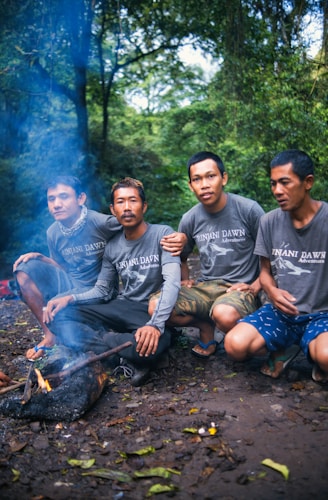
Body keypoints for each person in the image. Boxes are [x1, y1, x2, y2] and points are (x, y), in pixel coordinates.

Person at [13, 176, 184, 361]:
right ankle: (109, 342)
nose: (126, 208)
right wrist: (64, 291)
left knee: (153, 344)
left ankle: (109, 346)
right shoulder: (106, 246)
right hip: (115, 302)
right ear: (113, 209)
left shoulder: (160, 233)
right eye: (51, 199)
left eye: (133, 201)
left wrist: (183, 237)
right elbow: (79, 277)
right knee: (56, 314)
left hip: (140, 306)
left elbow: (172, 281)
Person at [224, 149, 328, 384]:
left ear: (307, 182)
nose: (277, 191)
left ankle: (316, 355)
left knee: (326, 356)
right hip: (281, 314)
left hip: (322, 314)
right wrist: (271, 291)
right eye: (273, 184)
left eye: (285, 183)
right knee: (234, 346)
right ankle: (285, 349)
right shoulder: (269, 221)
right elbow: (265, 272)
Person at [149, 151, 264, 358]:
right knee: (157, 307)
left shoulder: (248, 210)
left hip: (239, 289)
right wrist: (185, 280)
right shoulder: (190, 218)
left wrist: (255, 287)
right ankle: (205, 327)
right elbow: (181, 256)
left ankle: (255, 338)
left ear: (224, 178)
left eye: (211, 176)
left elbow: (270, 255)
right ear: (190, 185)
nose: (204, 184)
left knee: (224, 314)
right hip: (206, 288)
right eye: (197, 179)